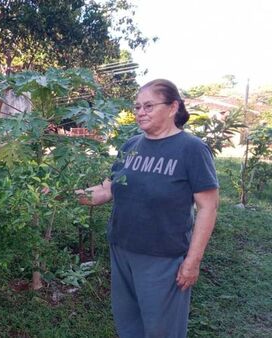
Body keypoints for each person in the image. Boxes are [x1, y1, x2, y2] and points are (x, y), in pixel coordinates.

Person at [76, 79, 219, 338]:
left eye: (149, 106)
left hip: (163, 259)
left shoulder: (192, 149)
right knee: (129, 326)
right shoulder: (131, 146)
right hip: (122, 250)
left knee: (162, 331)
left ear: (173, 107)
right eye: (138, 107)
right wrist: (64, 194)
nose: (141, 112)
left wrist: (192, 261)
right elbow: (107, 189)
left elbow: (208, 208)